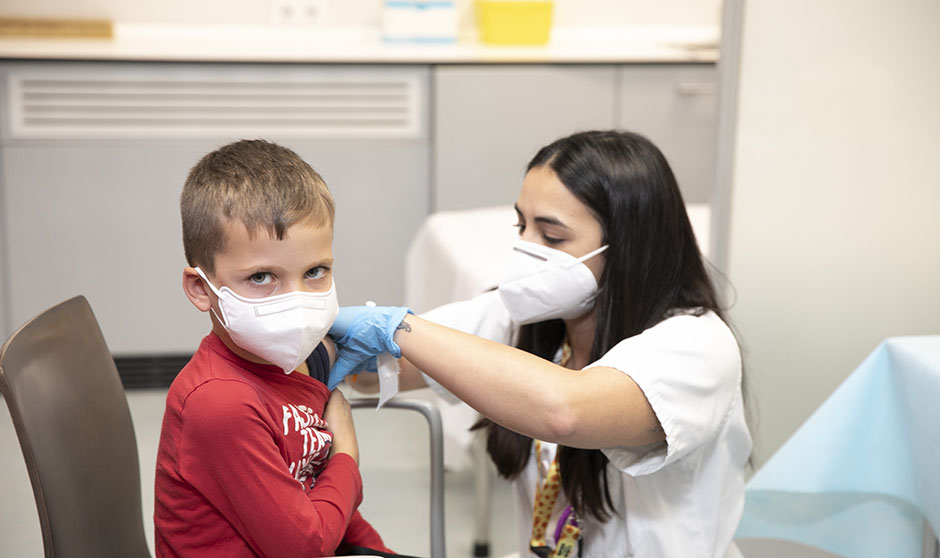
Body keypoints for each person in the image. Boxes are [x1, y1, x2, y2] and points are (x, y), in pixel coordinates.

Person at [329, 130, 752, 558]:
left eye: (551, 237)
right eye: (521, 226)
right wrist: (326, 344)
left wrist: (396, 327)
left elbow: (565, 412)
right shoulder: (524, 317)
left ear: (629, 248)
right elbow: (384, 369)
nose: (525, 251)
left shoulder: (698, 346)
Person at [154, 139, 403, 558]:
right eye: (261, 277)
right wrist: (346, 454)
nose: (297, 302)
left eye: (315, 271)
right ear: (201, 288)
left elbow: (318, 491)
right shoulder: (220, 404)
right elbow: (306, 547)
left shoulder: (297, 363)